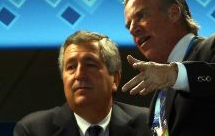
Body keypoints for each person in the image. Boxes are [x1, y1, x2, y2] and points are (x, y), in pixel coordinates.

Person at [121, 0, 215, 136]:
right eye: (129, 25)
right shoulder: (159, 96)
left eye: (141, 15)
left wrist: (176, 74)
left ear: (174, 13)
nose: (132, 29)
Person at [14, 30, 152, 136]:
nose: (79, 75)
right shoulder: (33, 130)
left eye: (90, 65)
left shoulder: (148, 124)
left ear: (114, 80)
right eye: (71, 67)